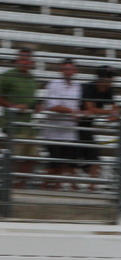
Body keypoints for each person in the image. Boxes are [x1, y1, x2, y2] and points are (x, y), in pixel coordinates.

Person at [0, 48, 41, 189]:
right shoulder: (8, 76)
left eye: (28, 59)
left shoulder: (32, 79)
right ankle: (9, 186)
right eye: (23, 59)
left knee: (32, 156)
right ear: (17, 60)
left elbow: (33, 100)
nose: (26, 62)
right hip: (14, 124)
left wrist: (37, 105)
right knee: (15, 156)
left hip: (29, 124)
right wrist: (13, 106)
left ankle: (20, 185)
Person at [40, 58, 83, 190]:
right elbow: (53, 106)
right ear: (61, 70)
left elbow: (78, 106)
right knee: (54, 165)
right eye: (65, 69)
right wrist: (72, 111)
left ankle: (56, 188)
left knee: (65, 164)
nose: (67, 72)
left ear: (75, 71)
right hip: (54, 132)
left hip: (70, 132)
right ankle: (45, 188)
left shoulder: (78, 86)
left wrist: (78, 114)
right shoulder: (54, 85)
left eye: (69, 69)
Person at [77, 66, 119, 188]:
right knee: (73, 160)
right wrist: (110, 113)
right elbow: (90, 108)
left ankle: (91, 189)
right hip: (76, 125)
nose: (111, 81)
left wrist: (114, 114)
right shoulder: (89, 88)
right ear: (102, 78)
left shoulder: (108, 89)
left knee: (94, 160)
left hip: (87, 126)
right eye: (110, 78)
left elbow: (115, 107)